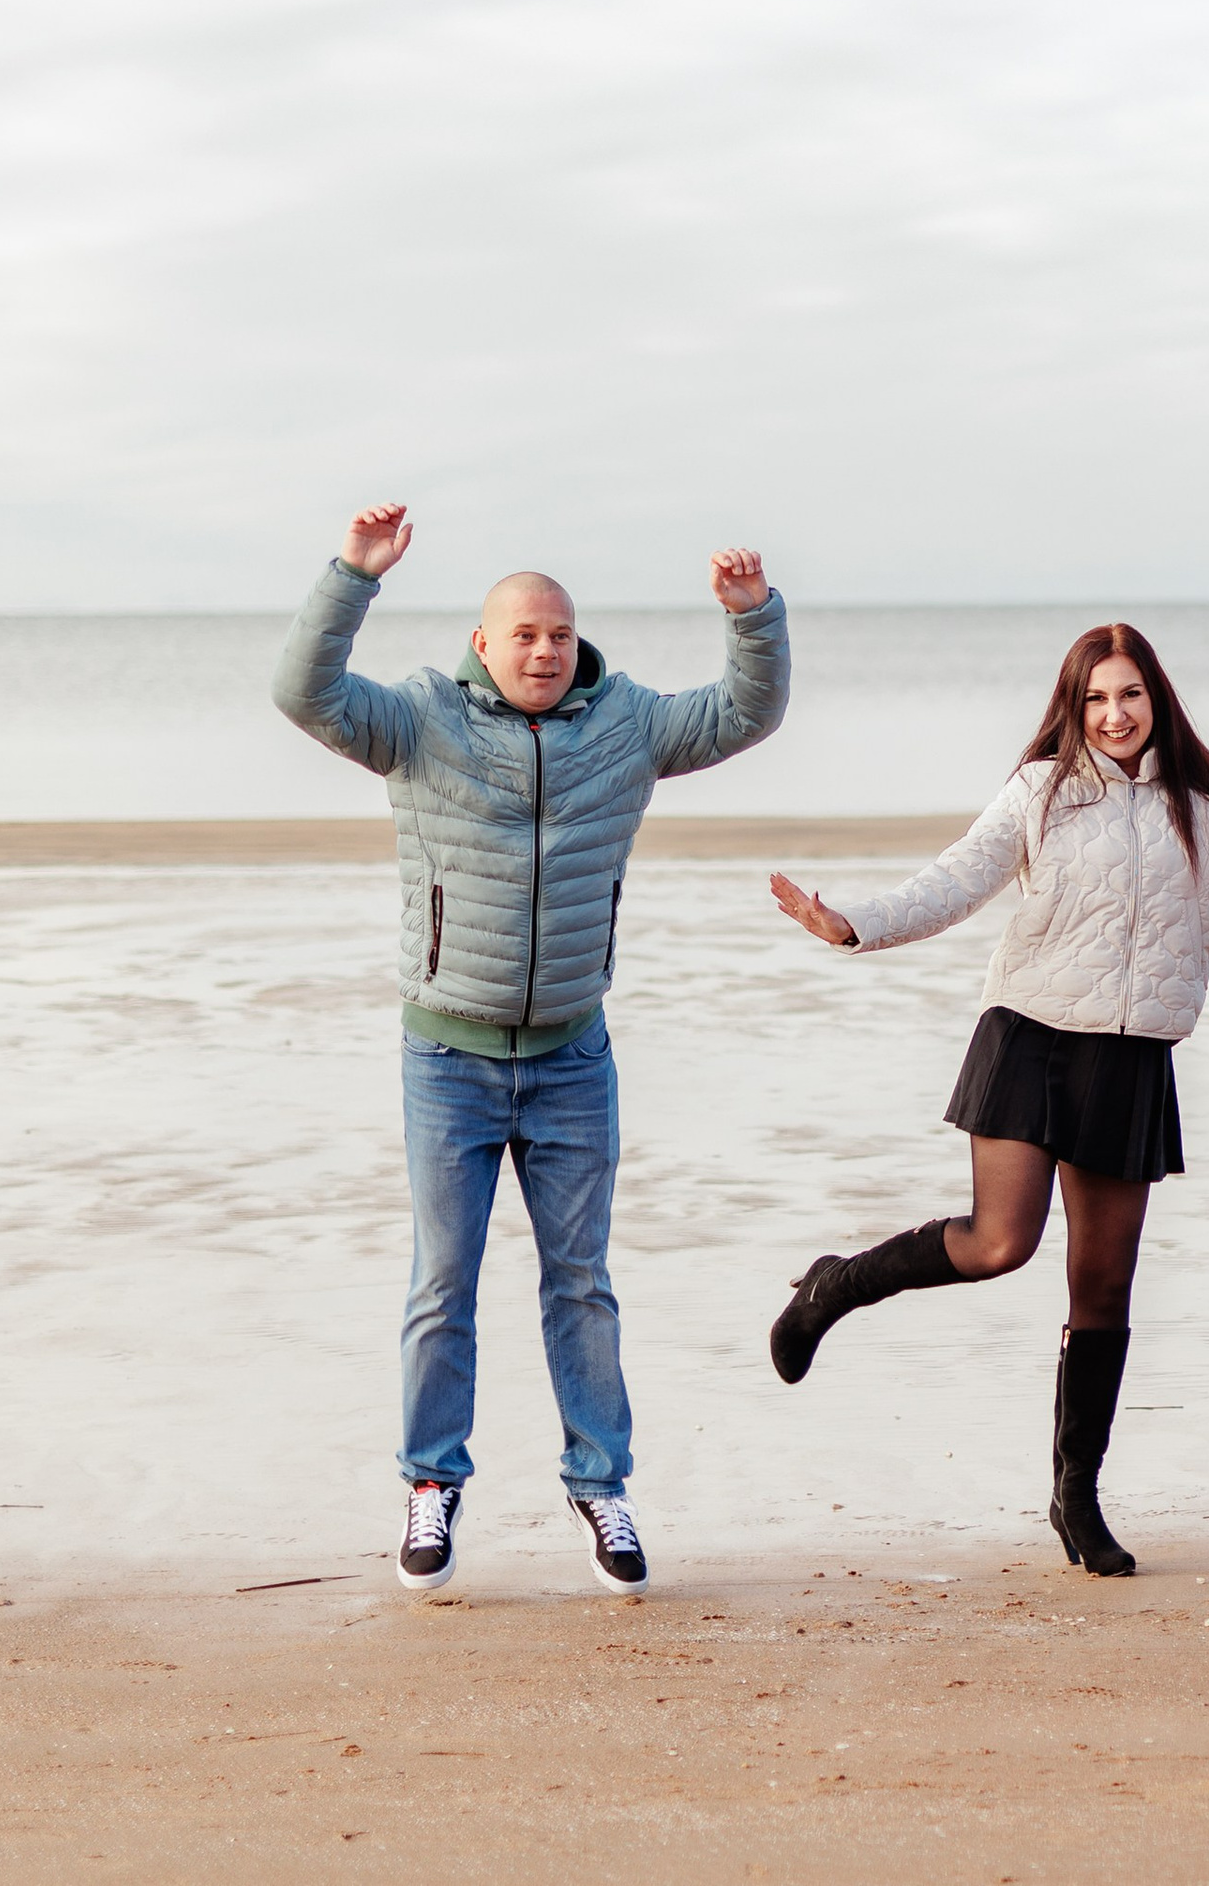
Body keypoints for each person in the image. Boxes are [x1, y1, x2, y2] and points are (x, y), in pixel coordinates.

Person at [763, 622, 1209, 1578]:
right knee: (998, 1244)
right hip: (1029, 1039)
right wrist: (853, 925)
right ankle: (835, 1285)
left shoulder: (1206, 809)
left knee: (1102, 1288)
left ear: (1157, 699)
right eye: (1096, 700)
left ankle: (1076, 1496)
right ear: (1074, 706)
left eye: (1129, 696)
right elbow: (955, 882)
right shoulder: (1041, 794)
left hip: (1131, 1060)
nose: (1114, 715)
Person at [273, 503, 790, 1597]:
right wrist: (353, 574)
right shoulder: (417, 719)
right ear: (484, 641)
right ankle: (430, 1484)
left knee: (582, 1285)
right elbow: (302, 692)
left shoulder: (629, 726)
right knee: (441, 1284)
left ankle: (600, 1484)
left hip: (571, 1055)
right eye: (524, 635)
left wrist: (753, 618)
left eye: (559, 633)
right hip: (446, 1059)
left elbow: (747, 712)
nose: (544, 650)